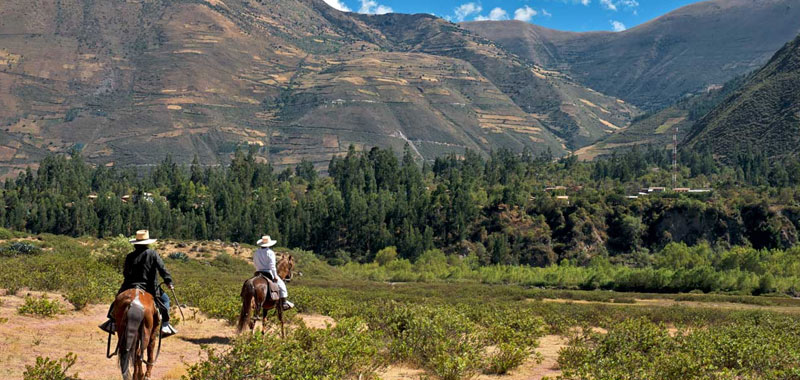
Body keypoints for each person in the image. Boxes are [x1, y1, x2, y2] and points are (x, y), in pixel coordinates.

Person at [99, 230, 178, 337]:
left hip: (129, 285)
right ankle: (165, 325)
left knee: (117, 300)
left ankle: (112, 322)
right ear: (147, 243)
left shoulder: (130, 256)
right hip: (149, 287)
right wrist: (168, 281)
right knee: (165, 300)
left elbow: (125, 273)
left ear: (136, 243)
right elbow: (162, 269)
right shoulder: (153, 254)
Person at [253, 235, 294, 310]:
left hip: (258, 272)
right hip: (268, 272)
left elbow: (255, 263)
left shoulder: (256, 252)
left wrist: (257, 269)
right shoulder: (270, 252)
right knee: (282, 286)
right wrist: (275, 276)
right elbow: (272, 266)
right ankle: (284, 303)